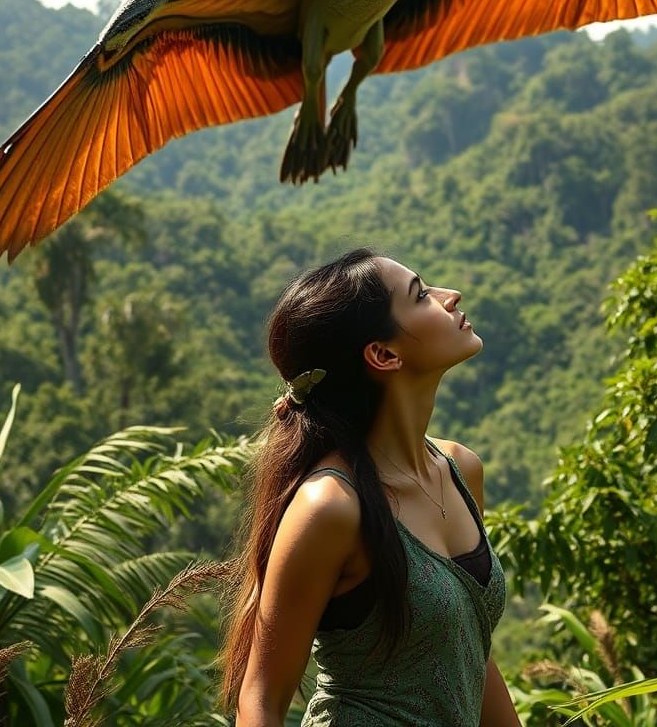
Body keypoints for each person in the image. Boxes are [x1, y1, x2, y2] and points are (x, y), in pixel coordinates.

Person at [220, 248, 519, 726]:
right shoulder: (332, 507)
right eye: (422, 296)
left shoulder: (461, 470)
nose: (451, 296)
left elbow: (468, 648)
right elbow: (260, 699)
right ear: (383, 354)